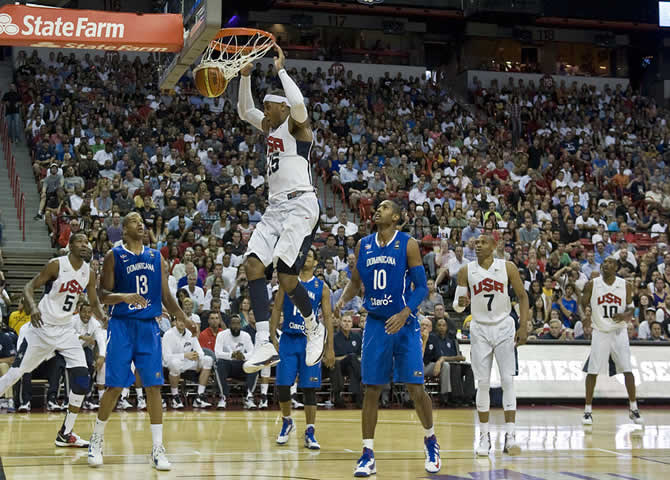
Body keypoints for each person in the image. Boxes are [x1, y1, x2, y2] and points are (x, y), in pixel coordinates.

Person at [334, 200, 440, 476]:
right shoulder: (364, 245)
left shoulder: (408, 244)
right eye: (377, 207)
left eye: (384, 207)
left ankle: (431, 440)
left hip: (404, 325)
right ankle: (367, 453)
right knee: (371, 389)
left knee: (415, 389)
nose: (378, 210)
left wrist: (406, 313)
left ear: (396, 217)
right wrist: (342, 299)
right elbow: (356, 283)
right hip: (377, 325)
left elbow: (421, 288)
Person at [237, 46, 325, 374]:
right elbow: (244, 109)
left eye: (269, 104)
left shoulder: (296, 127)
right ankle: (263, 342)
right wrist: (245, 77)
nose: (263, 108)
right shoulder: (272, 130)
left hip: (301, 202)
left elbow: (300, 105)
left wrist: (282, 72)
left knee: (286, 275)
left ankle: (314, 326)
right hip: (275, 208)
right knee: (254, 265)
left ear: (282, 107)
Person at [88, 212, 196, 470]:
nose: (141, 224)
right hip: (122, 326)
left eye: (143, 222)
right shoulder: (115, 256)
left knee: (153, 386)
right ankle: (96, 439)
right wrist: (123, 296)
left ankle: (158, 448)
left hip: (149, 327)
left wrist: (183, 316)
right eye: (135, 221)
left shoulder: (156, 257)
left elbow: (166, 295)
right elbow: (103, 295)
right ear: (124, 229)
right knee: (114, 387)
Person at [0, 233, 107, 448]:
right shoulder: (56, 265)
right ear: (70, 245)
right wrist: (32, 308)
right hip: (40, 329)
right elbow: (29, 287)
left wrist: (104, 317)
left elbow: (94, 302)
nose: (85, 245)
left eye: (87, 242)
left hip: (66, 331)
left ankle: (65, 433)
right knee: (15, 373)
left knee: (81, 380)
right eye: (80, 242)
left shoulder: (90, 273)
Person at [453, 235, 528, 457]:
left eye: (483, 242)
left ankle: (510, 435)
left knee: (507, 380)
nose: (478, 245)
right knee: (483, 382)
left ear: (494, 247)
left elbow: (523, 296)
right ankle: (484, 437)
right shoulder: (466, 271)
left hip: (504, 326)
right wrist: (460, 303)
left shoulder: (508, 267)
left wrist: (523, 326)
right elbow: (457, 307)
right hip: (479, 328)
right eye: (476, 243)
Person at [270, 248, 335, 449]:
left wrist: (329, 347)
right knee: (282, 385)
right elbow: (277, 307)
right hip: (289, 338)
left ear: (316, 263)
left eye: (310, 256)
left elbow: (328, 318)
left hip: (310, 340)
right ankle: (287, 421)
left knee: (308, 389)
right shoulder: (288, 280)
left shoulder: (321, 287)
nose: (306, 258)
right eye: (304, 255)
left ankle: (310, 430)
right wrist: (272, 334)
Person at [580, 257, 643, 426]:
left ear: (616, 267)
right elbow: (582, 303)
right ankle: (587, 411)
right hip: (600, 331)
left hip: (619, 331)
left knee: (628, 370)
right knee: (592, 371)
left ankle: (633, 408)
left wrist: (625, 315)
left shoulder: (625, 285)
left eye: (609, 263)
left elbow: (631, 307)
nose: (605, 265)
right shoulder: (592, 284)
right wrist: (584, 317)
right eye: (604, 263)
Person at [162, 315, 213, 409]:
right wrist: (185, 355)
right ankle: (175, 397)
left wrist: (198, 358)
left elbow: (200, 351)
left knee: (208, 360)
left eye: (184, 321)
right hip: (170, 366)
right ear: (175, 322)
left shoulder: (190, 333)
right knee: (175, 363)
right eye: (180, 320)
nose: (182, 323)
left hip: (188, 363)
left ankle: (199, 397)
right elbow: (166, 357)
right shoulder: (168, 335)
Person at [214, 315, 257, 409]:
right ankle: (223, 397)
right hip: (228, 364)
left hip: (241, 365)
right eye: (233, 323)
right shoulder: (222, 335)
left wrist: (243, 356)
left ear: (241, 325)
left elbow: (252, 353)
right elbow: (217, 353)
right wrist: (232, 355)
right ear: (229, 325)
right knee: (219, 363)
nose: (236, 326)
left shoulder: (246, 336)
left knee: (254, 364)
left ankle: (248, 396)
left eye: (238, 323)